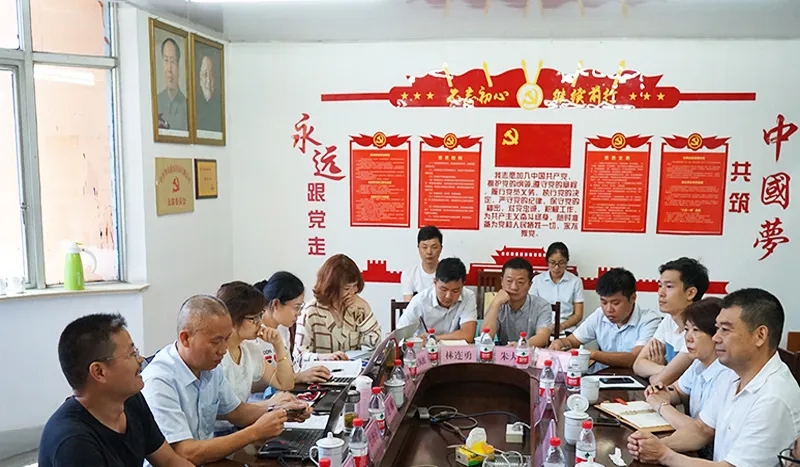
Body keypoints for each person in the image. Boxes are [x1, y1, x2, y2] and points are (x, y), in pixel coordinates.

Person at [628, 288, 800, 467]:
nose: (716, 338)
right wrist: (654, 445)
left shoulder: (774, 398)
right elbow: (702, 430)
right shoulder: (734, 373)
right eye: (716, 329)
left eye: (725, 330)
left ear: (760, 335)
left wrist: (664, 455)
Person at [142, 295, 306, 466]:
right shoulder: (159, 381)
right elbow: (185, 453)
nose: (223, 349)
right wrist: (255, 432)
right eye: (216, 342)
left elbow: (238, 412)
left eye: (227, 339)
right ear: (185, 338)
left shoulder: (210, 367)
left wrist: (282, 412)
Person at [39, 313, 191, 467]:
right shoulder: (73, 444)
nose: (140, 360)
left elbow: (169, 461)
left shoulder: (131, 400)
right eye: (132, 354)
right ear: (99, 372)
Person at [642, 298, 732, 458]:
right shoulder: (698, 363)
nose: (688, 338)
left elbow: (700, 431)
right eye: (686, 330)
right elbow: (678, 390)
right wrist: (663, 393)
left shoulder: (727, 374)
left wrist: (661, 405)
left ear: (716, 335)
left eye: (696, 330)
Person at [549, 268, 661, 372]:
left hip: (634, 379)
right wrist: (560, 342)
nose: (608, 309)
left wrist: (593, 354)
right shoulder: (599, 315)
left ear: (633, 298)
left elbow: (635, 358)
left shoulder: (649, 320)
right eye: (604, 302)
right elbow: (572, 340)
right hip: (600, 377)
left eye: (615, 303)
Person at [634, 257, 710, 386]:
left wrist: (659, 373)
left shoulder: (698, 331)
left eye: (669, 287)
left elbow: (659, 381)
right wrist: (665, 370)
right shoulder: (669, 320)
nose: (661, 293)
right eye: (660, 286)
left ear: (690, 293)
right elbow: (638, 365)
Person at [295, 254, 382, 362]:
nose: (353, 292)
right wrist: (324, 357)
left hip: (353, 371)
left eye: (355, 286)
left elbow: (376, 347)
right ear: (331, 288)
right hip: (322, 371)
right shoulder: (310, 311)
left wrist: (366, 308)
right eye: (346, 288)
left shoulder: (357, 308)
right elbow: (298, 357)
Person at [254, 271, 332, 383]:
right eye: (296, 307)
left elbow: (289, 370)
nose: (299, 314)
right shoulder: (252, 333)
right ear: (276, 304)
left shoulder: (283, 328)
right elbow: (253, 382)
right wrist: (298, 377)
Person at [397, 257, 478, 343]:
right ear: (435, 282)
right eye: (443, 289)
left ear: (463, 285)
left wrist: (433, 338)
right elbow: (400, 336)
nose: (448, 296)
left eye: (455, 291)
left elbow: (468, 335)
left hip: (454, 350)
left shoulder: (468, 296)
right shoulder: (420, 300)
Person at [483, 257, 552, 347]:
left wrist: (521, 345)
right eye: (509, 281)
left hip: (530, 352)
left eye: (520, 282)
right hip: (504, 353)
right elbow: (485, 336)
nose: (514, 287)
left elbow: (543, 337)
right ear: (502, 282)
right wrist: (495, 304)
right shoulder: (497, 303)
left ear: (530, 285)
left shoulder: (542, 306)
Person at [531, 242, 584, 334]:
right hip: (541, 328)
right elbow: (531, 309)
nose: (556, 267)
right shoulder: (537, 280)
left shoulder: (575, 281)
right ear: (547, 261)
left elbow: (578, 315)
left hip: (566, 328)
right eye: (552, 262)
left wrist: (561, 326)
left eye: (561, 263)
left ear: (567, 261)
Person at [401, 225, 443, 301]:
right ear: (418, 248)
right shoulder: (409, 274)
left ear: (441, 249)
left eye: (434, 247)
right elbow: (408, 305)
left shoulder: (448, 274)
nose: (429, 252)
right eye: (424, 247)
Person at [156, 37, 188, 131]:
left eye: (173, 62)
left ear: (178, 67)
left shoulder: (187, 106)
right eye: (166, 61)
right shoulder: (155, 102)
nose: (169, 69)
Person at [195, 54, 222, 133]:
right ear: (200, 79)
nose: (209, 81)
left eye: (212, 75)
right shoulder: (194, 106)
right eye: (205, 75)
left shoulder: (220, 107)